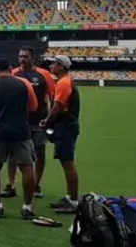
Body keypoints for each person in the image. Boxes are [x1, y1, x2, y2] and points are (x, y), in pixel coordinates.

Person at [0, 58, 40, 219]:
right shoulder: (24, 83)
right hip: (21, 130)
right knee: (27, 167)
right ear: (11, 68)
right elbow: (33, 107)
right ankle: (27, 207)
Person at [2, 47, 55, 199]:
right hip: (17, 121)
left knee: (40, 151)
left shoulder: (44, 74)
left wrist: (50, 118)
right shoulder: (13, 74)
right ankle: (10, 184)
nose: (22, 59)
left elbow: (53, 96)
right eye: (20, 57)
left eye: (25, 57)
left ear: (33, 58)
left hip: (39, 121)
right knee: (12, 153)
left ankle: (36, 184)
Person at [41, 55, 81, 214]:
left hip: (65, 127)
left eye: (54, 64)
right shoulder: (65, 81)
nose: (51, 66)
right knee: (66, 162)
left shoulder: (64, 83)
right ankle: (70, 197)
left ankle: (73, 201)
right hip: (66, 126)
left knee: (68, 163)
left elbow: (57, 107)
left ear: (61, 66)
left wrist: (46, 122)